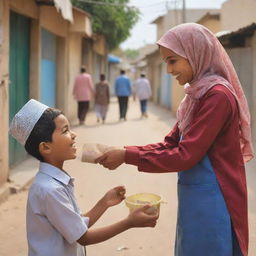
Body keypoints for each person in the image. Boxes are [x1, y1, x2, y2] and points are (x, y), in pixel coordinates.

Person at [95, 23, 254, 256]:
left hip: (215, 197)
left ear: (194, 54)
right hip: (197, 194)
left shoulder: (217, 96)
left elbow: (185, 154)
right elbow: (171, 143)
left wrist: (127, 156)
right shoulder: (196, 95)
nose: (169, 70)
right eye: (166, 62)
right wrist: (124, 151)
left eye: (173, 60)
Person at [9, 99, 159, 256]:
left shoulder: (54, 182)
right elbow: (83, 237)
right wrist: (129, 222)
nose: (73, 135)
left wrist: (104, 202)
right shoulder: (50, 190)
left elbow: (76, 225)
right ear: (45, 147)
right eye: (65, 131)